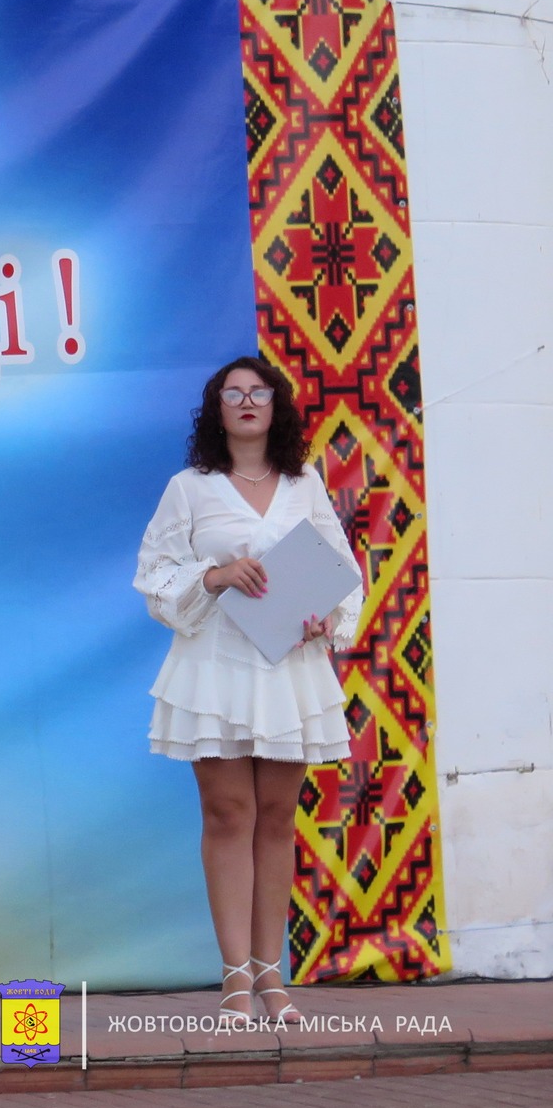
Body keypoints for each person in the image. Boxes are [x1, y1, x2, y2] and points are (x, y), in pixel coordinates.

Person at [134, 356, 361, 1024]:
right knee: (229, 813)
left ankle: (271, 976)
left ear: (276, 404)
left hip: (288, 666)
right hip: (215, 667)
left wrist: (326, 620)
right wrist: (215, 575)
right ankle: (235, 975)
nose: (246, 401)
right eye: (232, 393)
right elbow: (154, 575)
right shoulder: (189, 488)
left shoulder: (304, 483)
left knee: (278, 817)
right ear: (217, 410)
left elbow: (341, 571)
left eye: (258, 391)